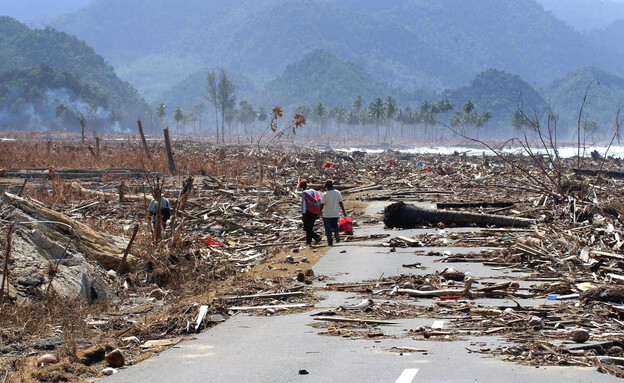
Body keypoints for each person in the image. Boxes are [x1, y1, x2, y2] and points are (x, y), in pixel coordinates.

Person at [319, 180, 347, 246]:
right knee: (335, 226)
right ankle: (336, 233)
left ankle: (330, 242)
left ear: (327, 186)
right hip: (335, 213)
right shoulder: (337, 192)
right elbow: (340, 202)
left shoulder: (325, 194)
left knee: (328, 229)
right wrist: (343, 211)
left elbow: (322, 204)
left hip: (327, 214)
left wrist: (319, 212)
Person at [298, 180, 322, 245]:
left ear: (303, 186)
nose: (302, 188)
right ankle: (309, 242)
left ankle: (316, 237)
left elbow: (304, 204)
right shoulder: (314, 191)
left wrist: (303, 214)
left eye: (301, 187)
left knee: (307, 228)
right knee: (310, 227)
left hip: (308, 212)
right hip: (315, 211)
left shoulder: (305, 193)